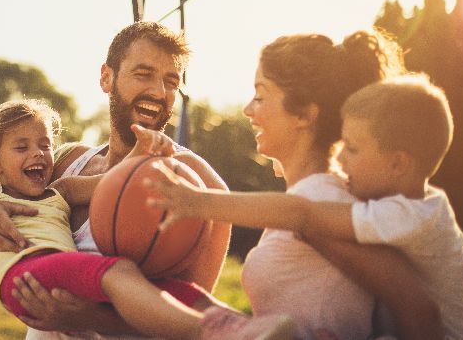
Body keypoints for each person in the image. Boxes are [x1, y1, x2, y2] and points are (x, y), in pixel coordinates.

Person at [0, 98, 293, 340]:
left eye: (44, 145)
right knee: (119, 271)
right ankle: (214, 333)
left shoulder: (61, 191)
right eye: (22, 147)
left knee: (174, 288)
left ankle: (248, 328)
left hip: (63, 276)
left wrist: (151, 149)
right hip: (25, 278)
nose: (38, 155)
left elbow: (115, 181)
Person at [125, 31, 444, 340]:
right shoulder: (313, 198)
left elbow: (417, 310)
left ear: (304, 115)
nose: (248, 110)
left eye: (261, 95)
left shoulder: (320, 206)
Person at [0, 22, 234, 339]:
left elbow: (190, 321)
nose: (159, 91)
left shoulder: (198, 182)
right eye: (143, 74)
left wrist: (89, 317)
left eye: (171, 81)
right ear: (106, 77)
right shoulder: (67, 162)